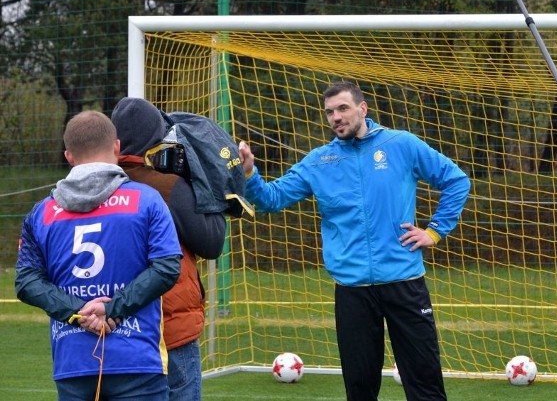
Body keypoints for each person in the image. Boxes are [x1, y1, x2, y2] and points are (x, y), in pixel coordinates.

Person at [238, 81, 470, 401]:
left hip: (404, 282)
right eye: (330, 112)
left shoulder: (401, 144)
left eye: (343, 108)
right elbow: (270, 199)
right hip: (352, 291)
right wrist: (250, 173)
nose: (336, 117)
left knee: (424, 384)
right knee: (359, 390)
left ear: (362, 109)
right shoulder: (319, 161)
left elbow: (456, 181)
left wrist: (434, 231)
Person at [16, 110, 182, 401]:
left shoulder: (41, 213)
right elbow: (168, 266)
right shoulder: (147, 200)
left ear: (68, 156)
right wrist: (112, 307)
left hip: (73, 362)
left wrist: (78, 312)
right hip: (137, 359)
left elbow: (27, 281)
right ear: (117, 147)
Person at [111, 97, 227, 401]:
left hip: (109, 328)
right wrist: (209, 185)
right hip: (167, 329)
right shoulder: (166, 186)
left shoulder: (96, 184)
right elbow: (212, 242)